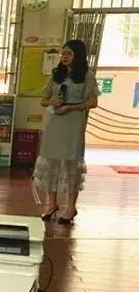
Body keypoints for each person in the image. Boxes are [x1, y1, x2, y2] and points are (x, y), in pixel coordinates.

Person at [34, 39, 100, 225]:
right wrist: (52, 101)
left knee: (71, 163)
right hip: (55, 121)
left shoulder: (87, 75)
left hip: (74, 121)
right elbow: (43, 100)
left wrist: (72, 107)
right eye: (63, 53)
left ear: (78, 56)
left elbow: (93, 102)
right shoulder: (56, 74)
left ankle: (70, 207)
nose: (64, 57)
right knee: (50, 163)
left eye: (69, 54)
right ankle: (51, 204)